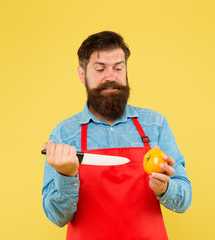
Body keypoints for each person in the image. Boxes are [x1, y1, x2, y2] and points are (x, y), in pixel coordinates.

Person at [42, 31, 192, 240]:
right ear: (82, 74)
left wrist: (165, 188)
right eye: (100, 68)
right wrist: (66, 175)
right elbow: (57, 217)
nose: (110, 76)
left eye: (118, 68)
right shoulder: (64, 134)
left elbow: (184, 201)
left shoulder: (154, 125)